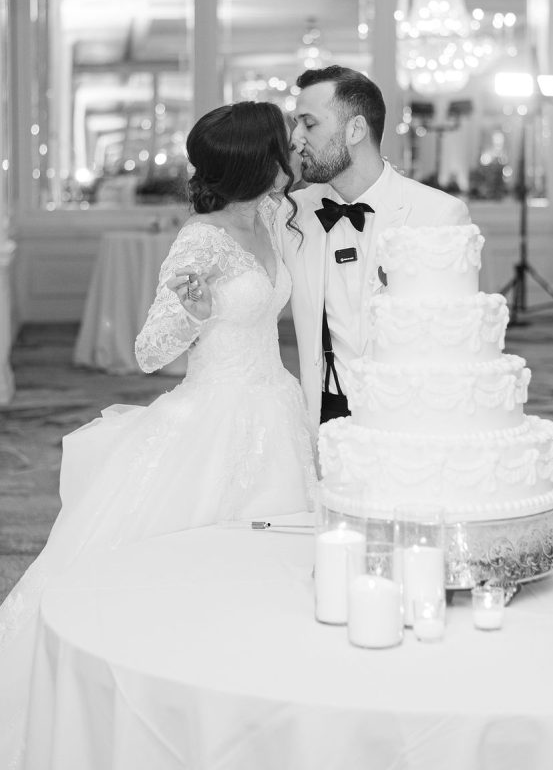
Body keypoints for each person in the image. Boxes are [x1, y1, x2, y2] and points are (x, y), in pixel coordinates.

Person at [0, 101, 316, 766]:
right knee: (186, 580)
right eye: (286, 142)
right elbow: (148, 351)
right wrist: (193, 313)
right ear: (259, 159)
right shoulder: (200, 240)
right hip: (216, 420)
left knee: (277, 575)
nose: (296, 149)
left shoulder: (270, 216)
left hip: (276, 408)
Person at [278, 64, 471, 437]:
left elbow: (455, 337)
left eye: (309, 123)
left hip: (409, 420)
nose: (296, 139)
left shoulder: (437, 214)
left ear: (356, 129)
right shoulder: (292, 215)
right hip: (324, 416)